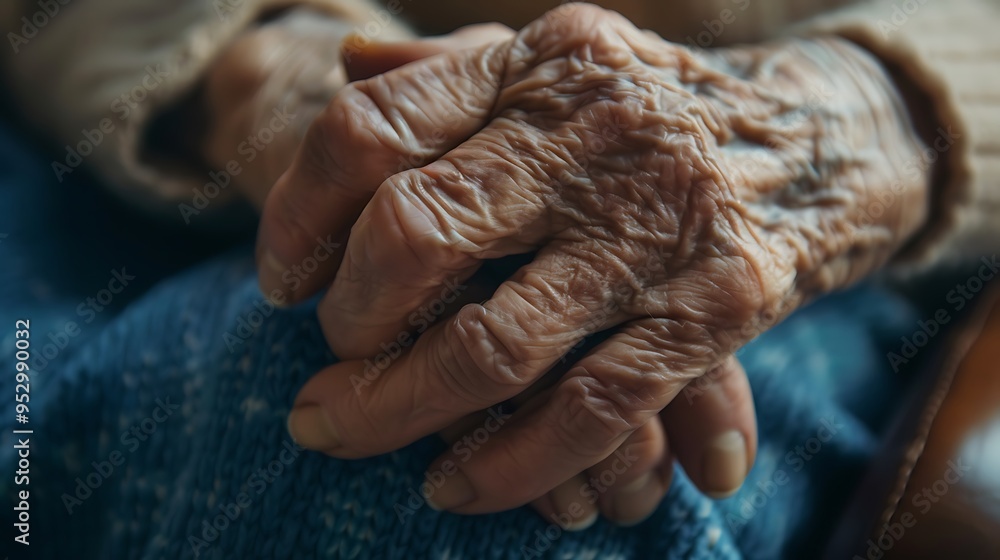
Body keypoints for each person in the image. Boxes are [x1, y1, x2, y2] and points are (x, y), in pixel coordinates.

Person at [0, 0, 996, 557]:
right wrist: (265, 66)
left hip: (823, 220)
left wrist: (870, 113)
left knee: (473, 457)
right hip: (147, 141)